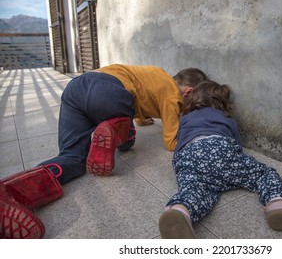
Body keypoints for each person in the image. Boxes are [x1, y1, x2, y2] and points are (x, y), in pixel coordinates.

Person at [0, 64, 209, 239]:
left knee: (72, 158)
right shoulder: (173, 95)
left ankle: (12, 192)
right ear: (188, 92)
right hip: (110, 93)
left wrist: (140, 119)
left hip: (76, 89)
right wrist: (198, 135)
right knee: (127, 141)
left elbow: (139, 99)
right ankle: (116, 130)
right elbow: (171, 142)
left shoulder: (156, 74)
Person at [158, 81, 282, 238]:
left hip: (188, 156)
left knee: (194, 189)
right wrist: (231, 165)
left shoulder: (186, 119)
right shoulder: (226, 118)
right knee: (263, 173)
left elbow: (180, 142)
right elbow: (236, 145)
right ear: (222, 103)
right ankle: (277, 203)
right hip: (221, 148)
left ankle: (181, 211)